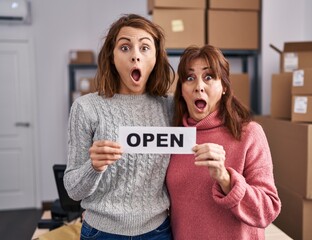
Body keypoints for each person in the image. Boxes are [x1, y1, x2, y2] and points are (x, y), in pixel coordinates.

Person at [64, 14, 175, 240]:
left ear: (156, 57)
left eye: (145, 47)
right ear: (111, 56)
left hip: (158, 231)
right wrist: (93, 166)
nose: (135, 55)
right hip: (101, 233)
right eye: (125, 47)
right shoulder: (85, 108)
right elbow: (74, 191)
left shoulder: (171, 107)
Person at [166, 45, 281, 240]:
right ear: (182, 91)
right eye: (190, 78)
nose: (199, 86)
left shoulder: (249, 134)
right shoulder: (173, 137)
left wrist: (226, 179)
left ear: (224, 87)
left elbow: (268, 211)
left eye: (209, 77)